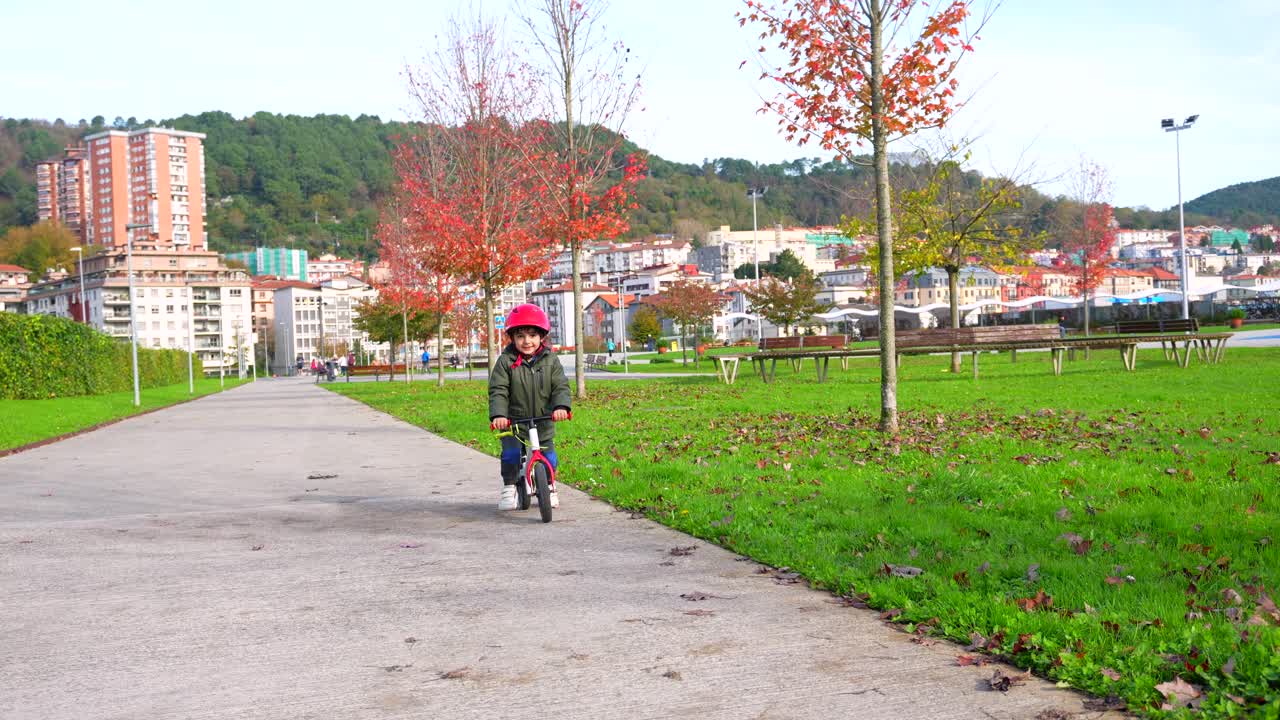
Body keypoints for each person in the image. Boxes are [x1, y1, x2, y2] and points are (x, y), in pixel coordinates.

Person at [489, 304, 571, 511]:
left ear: (541, 336)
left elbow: (560, 386)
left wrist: (561, 406)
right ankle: (509, 486)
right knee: (511, 455)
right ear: (512, 338)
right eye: (521, 336)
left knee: (549, 456)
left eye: (532, 335)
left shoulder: (550, 361)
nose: (527, 341)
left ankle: (549, 485)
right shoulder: (505, 361)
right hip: (513, 420)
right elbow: (498, 389)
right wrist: (499, 415)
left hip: (543, 419)